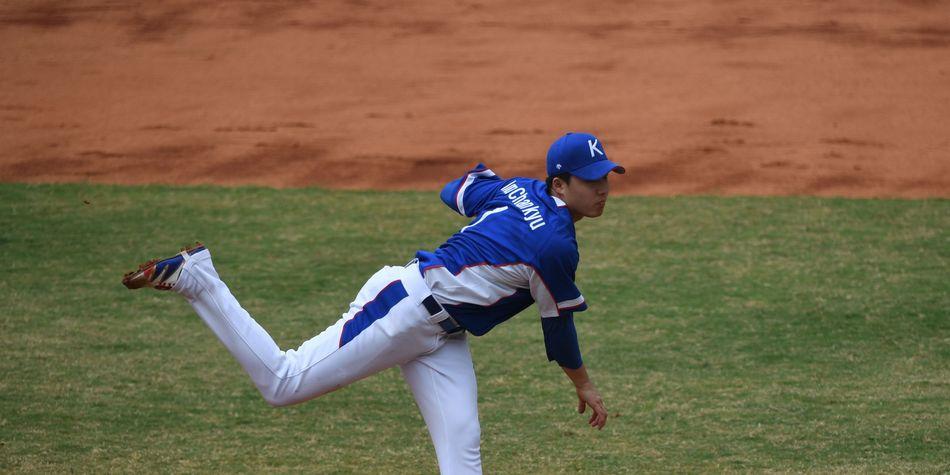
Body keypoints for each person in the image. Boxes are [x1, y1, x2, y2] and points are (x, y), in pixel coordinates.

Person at [122, 132, 624, 474]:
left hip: (440, 335)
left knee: (462, 449)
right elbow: (558, 332)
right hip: (402, 310)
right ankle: (199, 279)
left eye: (605, 177)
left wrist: (504, 197)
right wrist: (586, 387)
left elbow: (456, 190)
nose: (603, 190)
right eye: (591, 180)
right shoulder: (556, 244)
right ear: (560, 184)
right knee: (282, 382)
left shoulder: (519, 191)